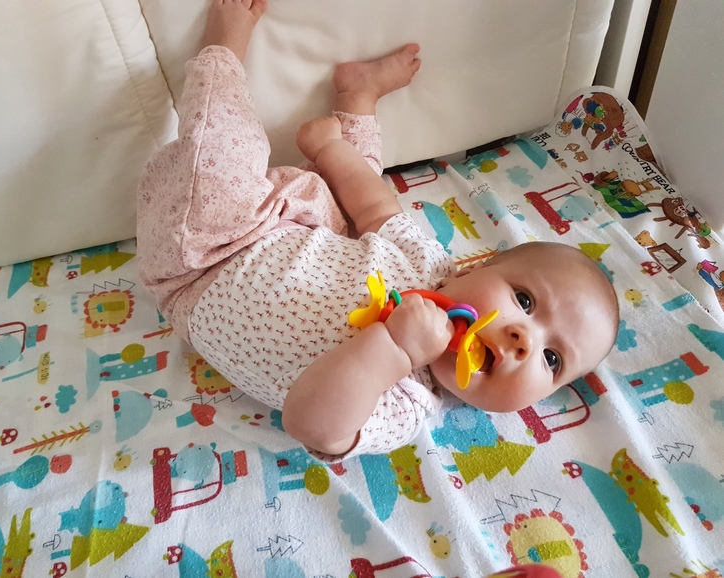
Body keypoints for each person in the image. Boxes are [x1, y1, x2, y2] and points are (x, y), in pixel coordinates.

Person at [137, 0, 619, 465]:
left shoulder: (405, 406)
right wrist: (330, 150)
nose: (524, 341)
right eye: (525, 301)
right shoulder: (431, 268)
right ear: (474, 267)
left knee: (220, 166)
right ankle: (356, 99)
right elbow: (373, 208)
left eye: (552, 360)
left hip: (202, 261)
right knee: (355, 187)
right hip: (296, 223)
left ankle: (222, 51)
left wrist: (396, 349)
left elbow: (312, 422)